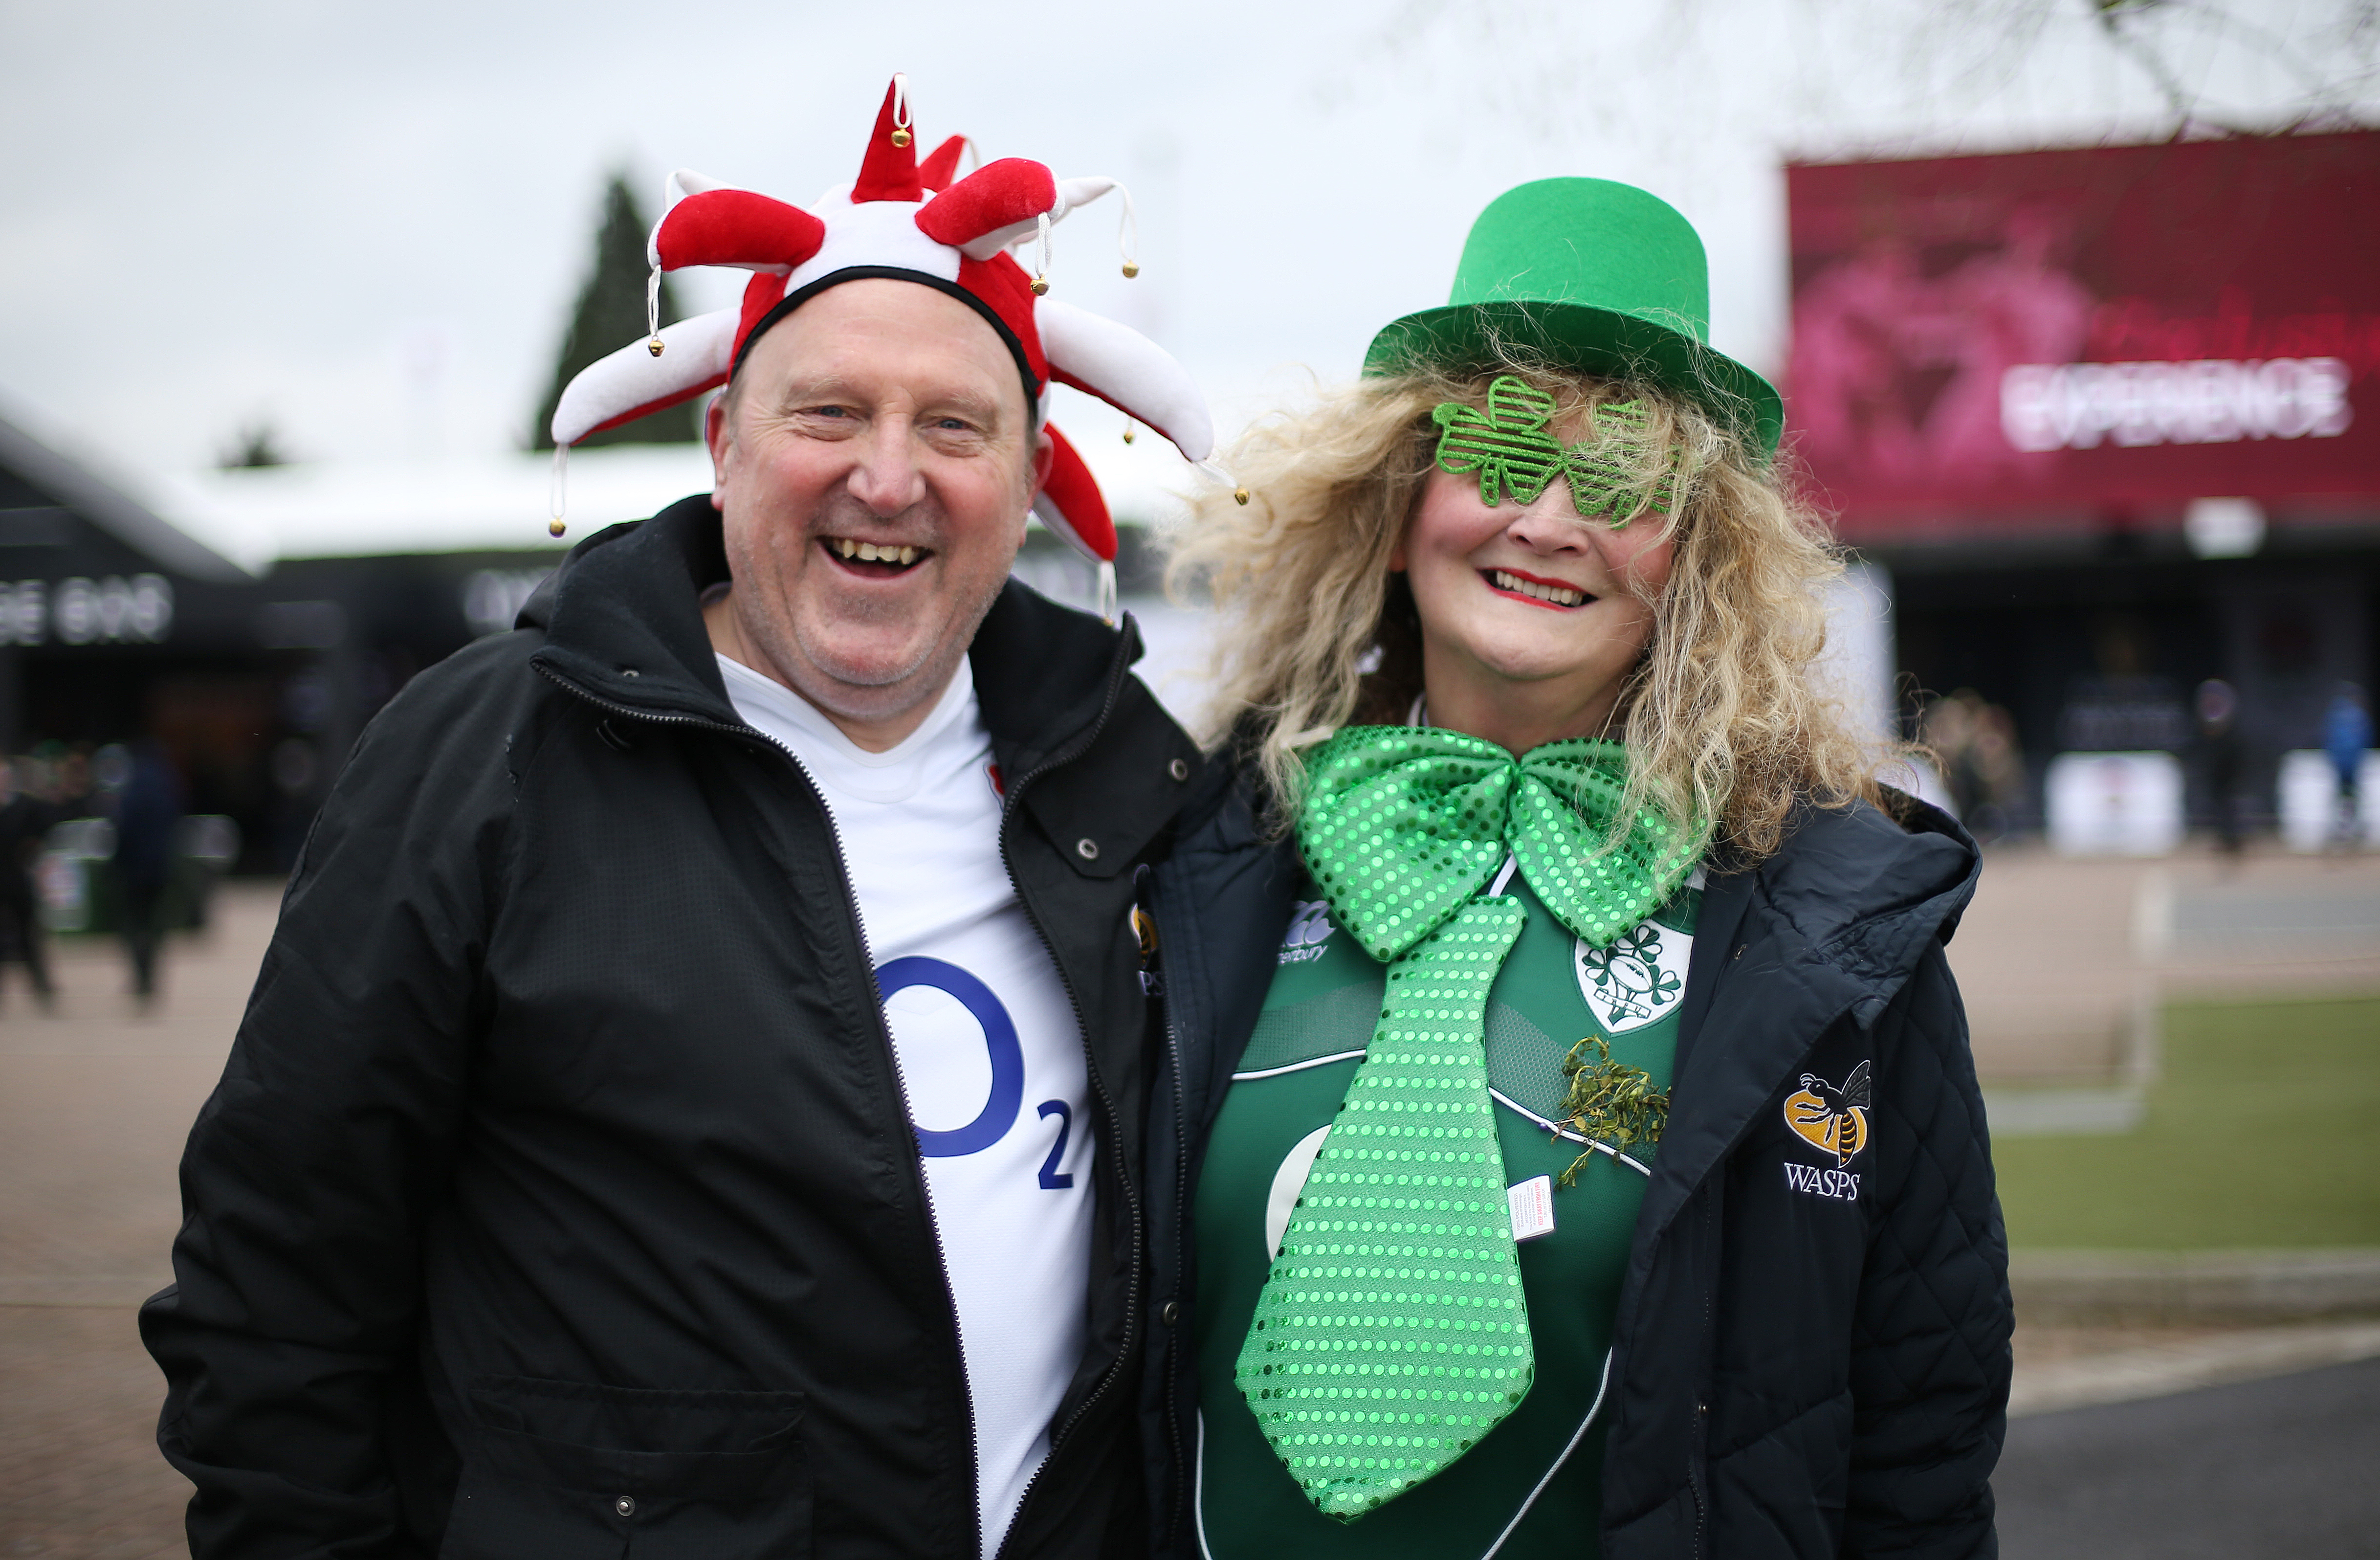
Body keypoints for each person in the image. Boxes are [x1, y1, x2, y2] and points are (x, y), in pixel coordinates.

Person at [142, 79, 1231, 1560]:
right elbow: (274, 1290)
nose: (887, 475)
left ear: (1033, 476)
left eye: (954, 426)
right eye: (828, 411)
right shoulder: (491, 752)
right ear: (721, 441)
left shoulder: (1128, 776)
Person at [1156, 179, 2009, 1558]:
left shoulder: (1838, 937)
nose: (1548, 518)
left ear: (1698, 556)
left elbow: (1920, 1446)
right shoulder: (1202, 853)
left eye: (1622, 474)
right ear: (1396, 492)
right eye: (1495, 441)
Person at [112, 741, 185, 1003]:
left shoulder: (131, 794)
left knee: (135, 924)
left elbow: (123, 831)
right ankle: (152, 974)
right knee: (155, 924)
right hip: (159, 868)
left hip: (134, 871)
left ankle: (140, 975)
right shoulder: (166, 791)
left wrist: (117, 863)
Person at [0, 758, 57, 1009]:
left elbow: (44, 828)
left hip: (17, 879)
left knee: (28, 934)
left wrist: (33, 848)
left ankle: (41, 985)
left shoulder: (24, 806)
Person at [2324, 682, 2371, 850]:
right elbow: (2362, 740)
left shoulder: (2335, 714)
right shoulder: (2357, 715)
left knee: (2341, 797)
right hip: (2351, 764)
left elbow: (2329, 740)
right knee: (2352, 797)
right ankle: (2351, 829)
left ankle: (2341, 830)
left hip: (2340, 763)